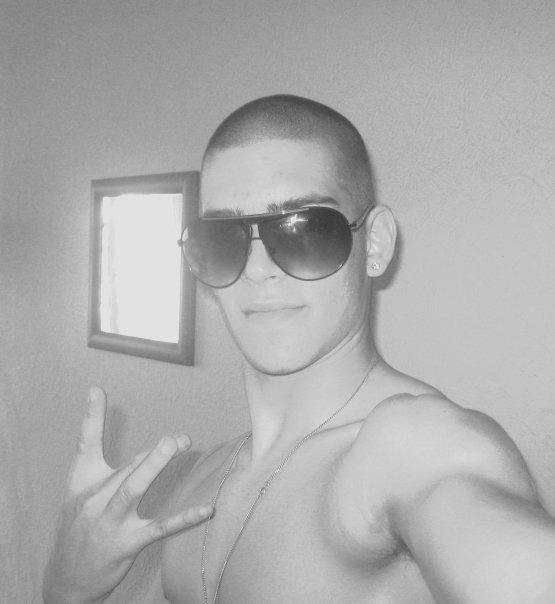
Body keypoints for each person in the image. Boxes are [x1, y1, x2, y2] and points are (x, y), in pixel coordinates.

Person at [43, 95, 555, 603]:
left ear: (374, 244)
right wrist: (69, 587)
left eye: (303, 230)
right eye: (221, 239)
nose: (257, 269)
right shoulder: (202, 484)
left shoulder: (412, 446)